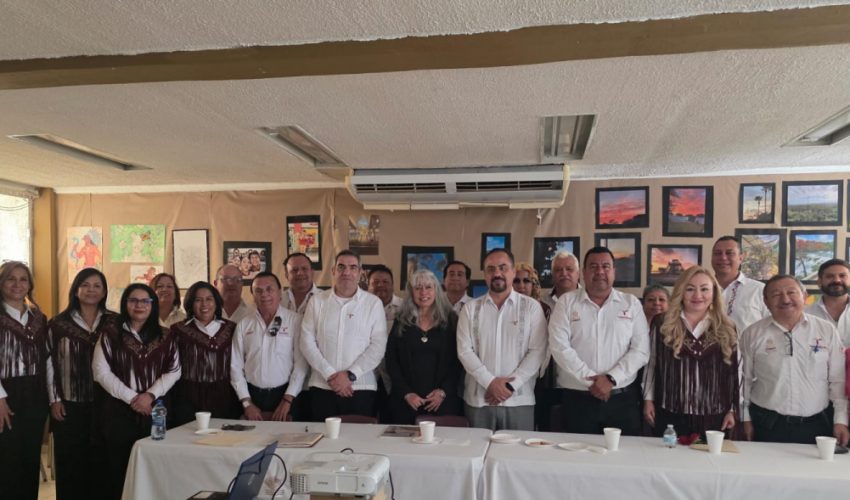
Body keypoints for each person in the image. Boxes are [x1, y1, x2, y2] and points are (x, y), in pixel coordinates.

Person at [92, 284, 181, 500]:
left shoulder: (165, 335)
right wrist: (133, 399)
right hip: (118, 412)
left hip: (155, 411)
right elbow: (100, 372)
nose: (139, 305)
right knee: (119, 468)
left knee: (154, 467)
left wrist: (149, 396)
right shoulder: (111, 334)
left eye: (145, 301)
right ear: (125, 304)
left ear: (153, 305)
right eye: (133, 300)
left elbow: (175, 370)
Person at [549, 247, 650, 435]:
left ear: (614, 271)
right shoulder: (566, 302)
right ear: (584, 272)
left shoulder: (631, 303)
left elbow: (641, 350)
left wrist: (611, 379)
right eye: (593, 266)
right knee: (577, 451)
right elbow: (559, 347)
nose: (600, 271)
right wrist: (592, 381)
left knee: (623, 452)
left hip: (622, 400)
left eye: (606, 266)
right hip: (577, 399)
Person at [741, 275, 848, 446]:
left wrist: (840, 420)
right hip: (766, 423)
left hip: (817, 424)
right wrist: (745, 418)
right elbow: (743, 380)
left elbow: (838, 380)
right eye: (776, 294)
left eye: (792, 292)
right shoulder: (752, 333)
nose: (785, 299)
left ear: (804, 296)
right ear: (766, 301)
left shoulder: (826, 330)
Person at [643, 266, 739, 439]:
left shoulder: (727, 327)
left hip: (714, 415)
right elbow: (652, 364)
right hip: (670, 412)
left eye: (704, 289)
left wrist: (732, 410)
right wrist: (648, 400)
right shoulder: (663, 323)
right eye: (690, 289)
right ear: (680, 292)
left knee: (708, 457)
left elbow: (735, 372)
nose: (697, 295)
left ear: (714, 293)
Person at [457, 249, 547, 431]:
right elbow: (465, 351)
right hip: (479, 400)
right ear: (485, 275)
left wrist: (509, 386)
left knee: (517, 450)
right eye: (491, 269)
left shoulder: (532, 308)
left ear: (513, 272)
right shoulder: (470, 309)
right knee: (476, 449)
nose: (497, 273)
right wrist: (490, 383)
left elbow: (538, 351)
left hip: (519, 400)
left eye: (503, 268)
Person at [48, 268, 116, 500]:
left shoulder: (115, 322)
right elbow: (49, 364)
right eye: (85, 285)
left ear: (104, 291)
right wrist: (54, 399)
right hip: (69, 405)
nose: (91, 290)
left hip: (107, 405)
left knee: (103, 464)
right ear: (76, 290)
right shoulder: (58, 324)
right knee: (71, 464)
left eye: (97, 285)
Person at [300, 250, 388, 421]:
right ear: (333, 271)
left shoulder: (373, 304)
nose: (346, 272)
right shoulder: (317, 301)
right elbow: (306, 342)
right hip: (322, 387)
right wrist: (330, 375)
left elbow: (378, 347)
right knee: (322, 437)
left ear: (360, 273)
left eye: (352, 267)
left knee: (358, 438)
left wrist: (351, 375)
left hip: (361, 388)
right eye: (341, 267)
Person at [0, 261, 52, 500]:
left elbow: (47, 358)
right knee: (7, 460)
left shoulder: (39, 318)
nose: (17, 284)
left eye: (23, 279)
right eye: (11, 278)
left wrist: (52, 397)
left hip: (35, 392)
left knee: (29, 457)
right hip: (5, 392)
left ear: (30, 285)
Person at [385, 269, 462, 424]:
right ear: (411, 292)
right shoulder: (401, 320)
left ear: (436, 290)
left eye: (428, 287)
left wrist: (442, 392)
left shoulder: (451, 320)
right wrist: (406, 393)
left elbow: (458, 361)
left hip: (442, 402)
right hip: (406, 402)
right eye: (418, 288)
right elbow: (391, 361)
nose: (423, 292)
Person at [230, 272, 307, 421]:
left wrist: (287, 399)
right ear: (253, 296)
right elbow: (235, 366)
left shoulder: (295, 321)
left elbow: (301, 364)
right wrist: (246, 403)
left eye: (269, 289)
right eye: (258, 291)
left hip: (287, 395)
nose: (264, 294)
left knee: (287, 436)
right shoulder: (244, 325)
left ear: (280, 292)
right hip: (252, 396)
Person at [171, 282, 240, 426]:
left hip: (225, 397)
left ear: (216, 302)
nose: (204, 304)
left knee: (224, 436)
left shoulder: (232, 329)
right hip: (188, 398)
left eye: (209, 299)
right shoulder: (178, 330)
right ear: (190, 303)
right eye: (198, 300)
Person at [711, 236, 769, 333]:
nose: (723, 257)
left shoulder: (760, 290)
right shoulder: (699, 290)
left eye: (730, 253)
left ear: (741, 258)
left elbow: (772, 327)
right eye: (717, 253)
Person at [806, 259, 850, 347]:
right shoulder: (806, 315)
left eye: (842, 276)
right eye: (830, 276)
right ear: (819, 282)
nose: (837, 280)